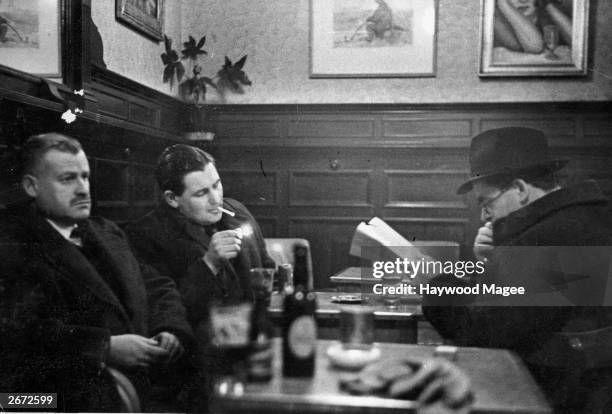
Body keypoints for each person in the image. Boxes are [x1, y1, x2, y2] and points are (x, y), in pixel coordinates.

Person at [422, 127, 612, 413]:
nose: (485, 215)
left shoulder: (543, 239)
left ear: (520, 189)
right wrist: (491, 262)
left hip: (550, 398)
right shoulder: (588, 217)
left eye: (486, 202)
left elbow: (481, 335)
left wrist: (435, 288)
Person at [0, 133, 193, 412]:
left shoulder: (107, 232)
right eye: (67, 179)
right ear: (32, 186)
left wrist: (170, 328)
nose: (83, 189)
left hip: (145, 393)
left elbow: (157, 286)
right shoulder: (13, 250)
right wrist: (103, 348)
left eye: (85, 177)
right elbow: (16, 339)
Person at [126, 144, 275, 408]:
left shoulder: (237, 212)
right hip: (199, 368)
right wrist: (209, 264)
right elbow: (167, 312)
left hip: (253, 349)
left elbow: (265, 266)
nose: (216, 199)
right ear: (172, 198)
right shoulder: (146, 235)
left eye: (217, 185)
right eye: (202, 193)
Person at [494, 0, 572, 54]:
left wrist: (548, 4)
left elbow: (579, 43)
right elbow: (535, 46)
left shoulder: (542, 15)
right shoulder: (497, 21)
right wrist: (503, 3)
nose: (523, 0)